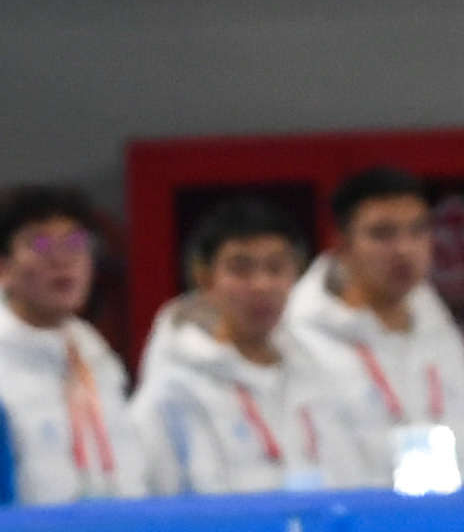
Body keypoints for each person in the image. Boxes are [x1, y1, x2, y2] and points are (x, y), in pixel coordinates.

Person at [132, 198, 362, 495]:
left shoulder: (318, 377)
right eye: (241, 270)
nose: (261, 285)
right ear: (205, 279)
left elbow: (352, 485)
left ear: (296, 275)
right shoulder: (171, 394)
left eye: (276, 268)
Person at [287, 165, 464, 489]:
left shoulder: (439, 327)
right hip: (355, 529)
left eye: (418, 231)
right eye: (383, 234)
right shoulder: (298, 338)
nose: (404, 249)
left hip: (449, 527)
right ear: (339, 243)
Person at [0, 184, 145, 504]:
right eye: (40, 244)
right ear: (4, 268)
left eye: (75, 242)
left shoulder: (99, 358)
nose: (62, 259)